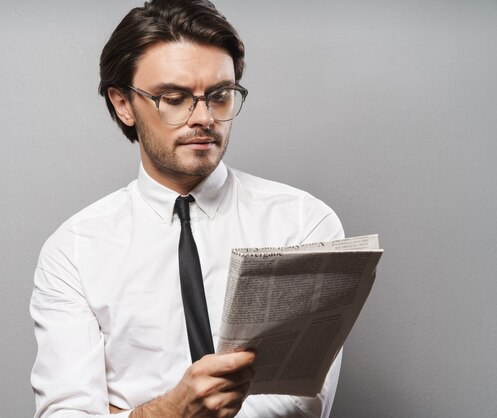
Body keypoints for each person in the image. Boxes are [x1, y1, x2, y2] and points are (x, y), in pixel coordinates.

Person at [30, 0, 344, 417]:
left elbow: (304, 401)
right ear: (123, 104)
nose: (204, 118)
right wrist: (171, 410)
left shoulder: (303, 225)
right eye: (175, 98)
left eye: (220, 96)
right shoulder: (74, 250)